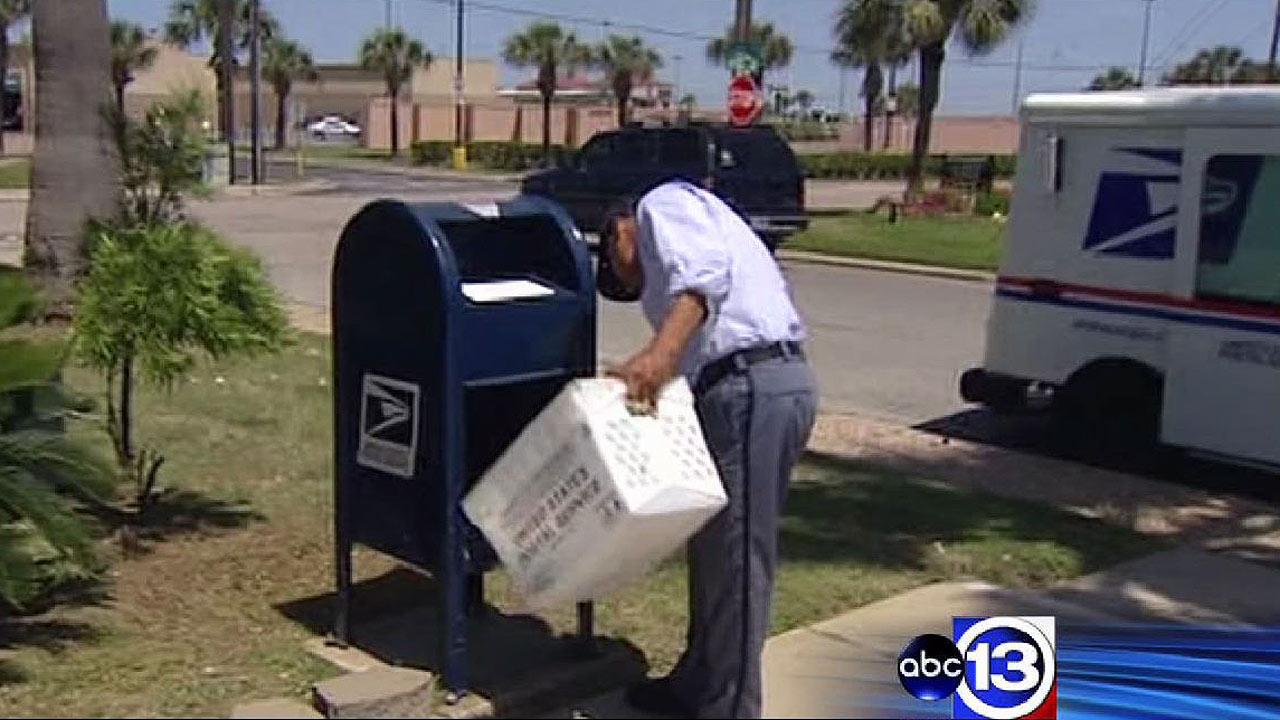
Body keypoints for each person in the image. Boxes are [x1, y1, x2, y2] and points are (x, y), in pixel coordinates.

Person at [598, 178, 818, 719]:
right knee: (715, 552)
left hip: (751, 384)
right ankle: (696, 684)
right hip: (742, 388)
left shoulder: (661, 204)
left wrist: (659, 355)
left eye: (622, 272)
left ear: (618, 232)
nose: (634, 284)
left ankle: (731, 708)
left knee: (737, 561)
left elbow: (702, 280)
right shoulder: (698, 227)